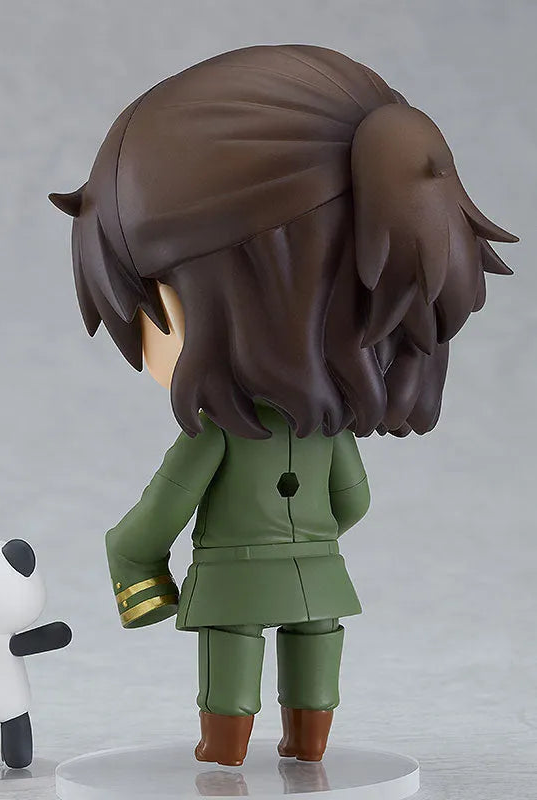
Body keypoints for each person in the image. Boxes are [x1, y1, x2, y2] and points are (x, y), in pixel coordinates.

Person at [50, 44, 516, 767]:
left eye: (146, 305)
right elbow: (353, 502)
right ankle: (307, 744)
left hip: (233, 582)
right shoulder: (329, 436)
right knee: (316, 644)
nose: (138, 336)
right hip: (319, 575)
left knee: (230, 654)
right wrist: (307, 537)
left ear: (229, 292)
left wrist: (135, 570)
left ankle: (224, 752)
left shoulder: (216, 435)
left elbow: (157, 515)